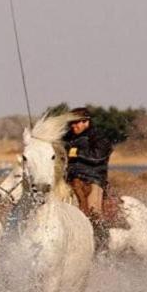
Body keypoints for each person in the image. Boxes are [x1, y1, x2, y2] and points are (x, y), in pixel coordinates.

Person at [63, 107, 113, 250]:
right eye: (71, 124)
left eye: (77, 123)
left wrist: (77, 153)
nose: (73, 126)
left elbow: (99, 156)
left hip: (93, 180)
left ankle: (103, 248)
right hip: (70, 180)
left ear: (86, 122)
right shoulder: (68, 137)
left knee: (93, 213)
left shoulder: (99, 137)